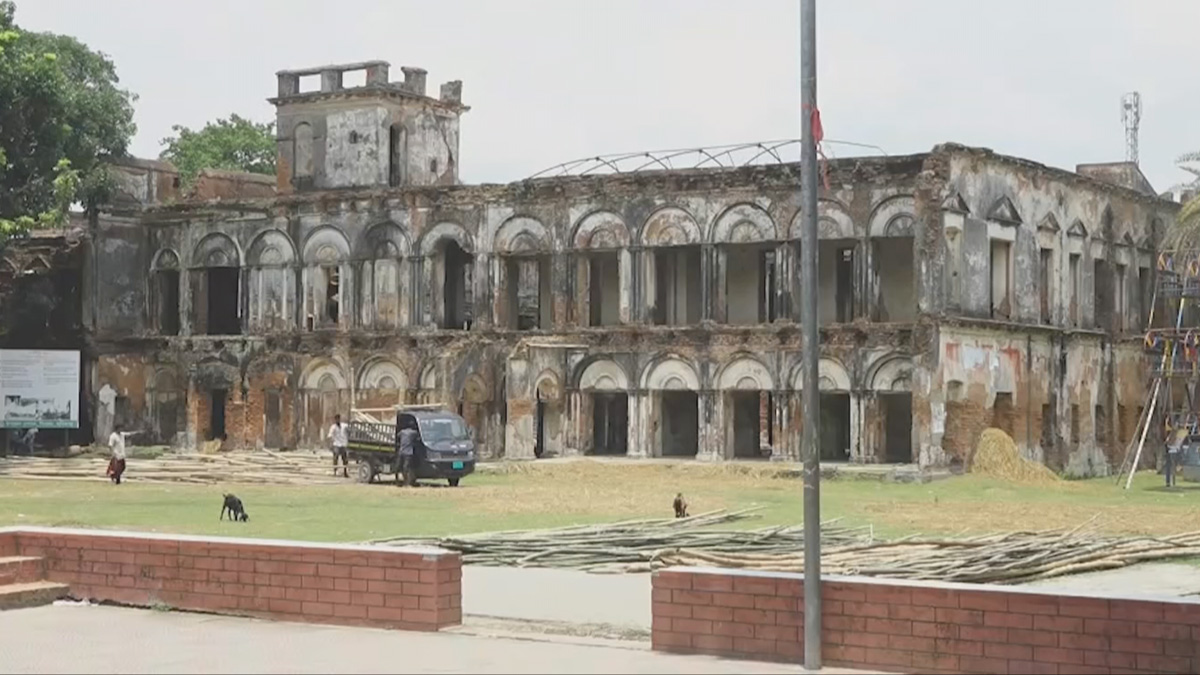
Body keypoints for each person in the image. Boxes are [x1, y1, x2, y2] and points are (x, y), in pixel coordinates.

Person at [396, 419, 420, 486]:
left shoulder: (402, 432)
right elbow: (418, 437)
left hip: (401, 451)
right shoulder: (413, 433)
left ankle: (399, 481)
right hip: (409, 452)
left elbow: (398, 436)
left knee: (399, 467)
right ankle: (406, 482)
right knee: (406, 467)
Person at [327, 414, 349, 478]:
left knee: (345, 459)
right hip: (336, 444)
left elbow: (349, 428)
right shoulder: (333, 427)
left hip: (343, 444)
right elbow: (330, 435)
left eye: (338, 419)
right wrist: (331, 442)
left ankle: (345, 472)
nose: (337, 420)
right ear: (335, 420)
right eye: (336, 419)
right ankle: (335, 471)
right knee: (335, 458)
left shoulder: (344, 426)